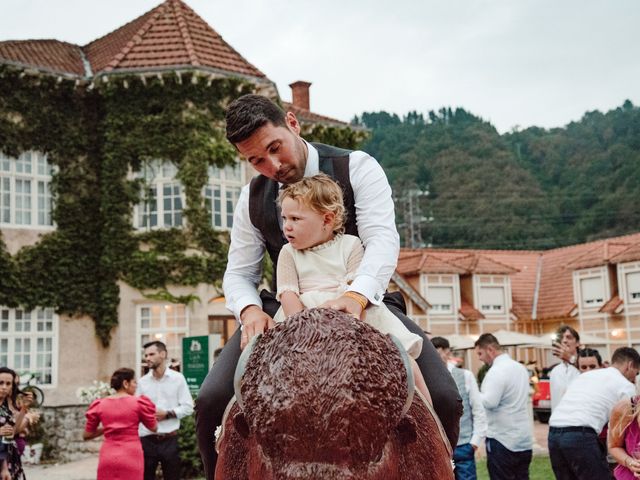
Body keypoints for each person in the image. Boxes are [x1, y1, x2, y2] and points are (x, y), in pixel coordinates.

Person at [195, 94, 461, 479]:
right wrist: (250, 310)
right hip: (286, 310)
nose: (272, 166)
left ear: (293, 124)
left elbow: (382, 242)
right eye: (256, 160)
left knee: (445, 397)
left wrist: (355, 295)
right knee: (209, 400)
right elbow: (238, 273)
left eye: (275, 148)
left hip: (365, 302)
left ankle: (441, 466)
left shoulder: (357, 167)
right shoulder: (250, 198)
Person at [275, 174, 430, 400]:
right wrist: (305, 328)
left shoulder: (351, 244)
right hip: (303, 319)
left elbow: (355, 287)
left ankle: (427, 412)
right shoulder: (288, 253)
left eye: (296, 219)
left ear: (327, 219)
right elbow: (288, 294)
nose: (287, 226)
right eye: (284, 218)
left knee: (404, 358)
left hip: (352, 314)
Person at [548, 347, 640, 480]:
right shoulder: (625, 386)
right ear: (630, 365)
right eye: (636, 372)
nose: (634, 377)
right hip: (580, 436)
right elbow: (627, 425)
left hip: (554, 434)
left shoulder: (586, 376)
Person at [474, 333, 532, 479]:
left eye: (480, 353)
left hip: (502, 439)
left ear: (490, 349)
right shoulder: (520, 368)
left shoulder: (496, 371)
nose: (480, 358)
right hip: (523, 438)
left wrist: (473, 393)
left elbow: (489, 402)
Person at [83, 368, 157, 480]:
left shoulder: (100, 404)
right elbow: (153, 428)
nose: (136, 385)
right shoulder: (138, 403)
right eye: (134, 382)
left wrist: (108, 427)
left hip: (108, 455)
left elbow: (87, 435)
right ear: (125, 383)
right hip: (131, 455)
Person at [137, 341, 193, 480]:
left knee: (172, 477)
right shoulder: (142, 382)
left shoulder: (178, 379)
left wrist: (168, 414)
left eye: (151, 354)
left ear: (163, 354)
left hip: (169, 439)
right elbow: (136, 409)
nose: (147, 358)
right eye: (146, 355)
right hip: (146, 439)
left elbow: (188, 407)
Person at [432, 337, 487, 480]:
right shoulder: (427, 378)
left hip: (464, 447)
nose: (436, 358)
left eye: (438, 353)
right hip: (438, 449)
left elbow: (478, 410)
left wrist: (474, 443)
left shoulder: (465, 376)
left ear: (447, 352)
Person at [0, 367, 31, 480]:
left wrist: (24, 408)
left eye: (8, 384)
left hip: (9, 457)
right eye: (1, 383)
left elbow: (13, 432)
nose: (4, 387)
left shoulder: (6, 407)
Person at [549, 325, 580, 411]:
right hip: (559, 420)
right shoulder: (555, 371)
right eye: (561, 338)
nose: (564, 340)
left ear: (577, 343)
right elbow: (555, 400)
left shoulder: (586, 365)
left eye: (569, 337)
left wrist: (570, 358)